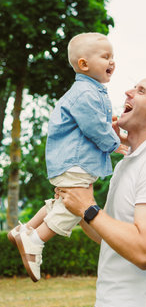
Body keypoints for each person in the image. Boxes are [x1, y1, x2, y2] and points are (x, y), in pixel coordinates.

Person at [57, 74, 146, 307]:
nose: (128, 92)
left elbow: (144, 251)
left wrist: (89, 209)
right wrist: (78, 203)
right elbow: (107, 235)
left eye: (140, 91)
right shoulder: (129, 161)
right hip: (109, 306)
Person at [8, 32, 122, 282]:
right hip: (75, 162)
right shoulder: (86, 94)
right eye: (105, 57)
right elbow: (94, 128)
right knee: (75, 206)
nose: (112, 61)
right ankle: (35, 240)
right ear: (84, 64)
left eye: (113, 56)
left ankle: (25, 229)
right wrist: (116, 144)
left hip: (70, 161)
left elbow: (96, 124)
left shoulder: (90, 92)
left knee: (64, 202)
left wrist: (109, 129)